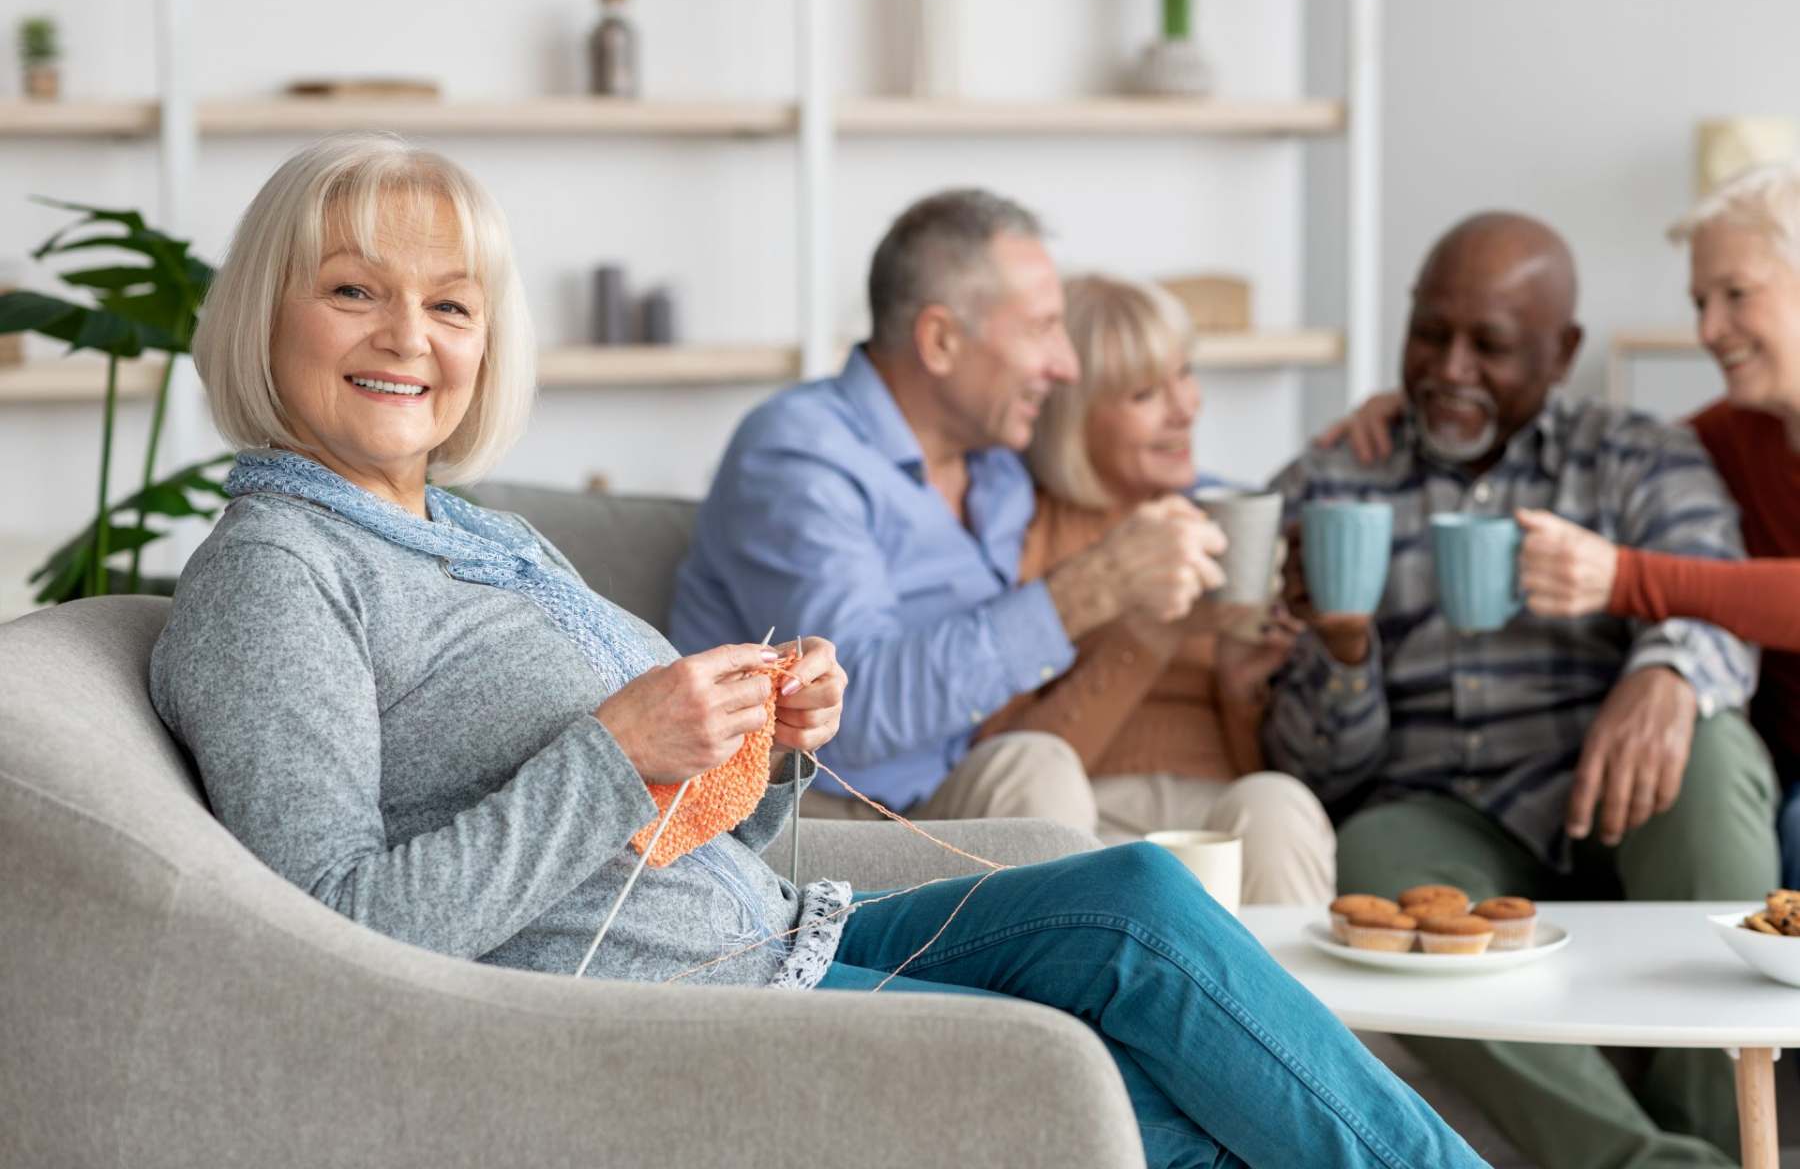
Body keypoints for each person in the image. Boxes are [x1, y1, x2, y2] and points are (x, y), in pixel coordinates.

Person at [148, 134, 1489, 1169]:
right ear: (268, 313)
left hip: (761, 930)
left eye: (449, 304)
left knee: (1131, 901)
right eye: (351, 292)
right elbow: (326, 942)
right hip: (662, 1015)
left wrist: (762, 755)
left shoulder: (470, 531)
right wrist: (617, 755)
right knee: (1135, 1101)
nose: (408, 338)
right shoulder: (279, 574)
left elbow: (663, 830)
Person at [1265, 210, 1779, 1169]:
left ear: (1562, 352)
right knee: (1374, 849)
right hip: (1438, 807)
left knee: (1709, 752)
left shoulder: (1634, 453)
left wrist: (1667, 671)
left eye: (1490, 346)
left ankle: (1720, 1127)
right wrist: (1340, 655)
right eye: (1430, 333)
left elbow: (1712, 590)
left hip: (1618, 790)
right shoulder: (1336, 478)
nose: (1451, 368)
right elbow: (1314, 764)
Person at [671, 190, 1229, 832]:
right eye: (1043, 329)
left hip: (965, 794)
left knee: (1263, 812)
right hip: (826, 814)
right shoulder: (797, 457)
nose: (1065, 366)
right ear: (939, 340)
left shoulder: (997, 458)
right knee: (1036, 769)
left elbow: (1129, 465)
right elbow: (853, 716)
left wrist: (1319, 480)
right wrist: (1094, 586)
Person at [1321, 166, 1800, 892]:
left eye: (1736, 295)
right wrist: (1438, 403)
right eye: (1701, 301)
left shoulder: (1667, 446)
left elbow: (1705, 584)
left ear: (1561, 352)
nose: (1707, 329)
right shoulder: (1720, 436)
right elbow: (1688, 524)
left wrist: (1654, 641)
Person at [977, 273, 1334, 904]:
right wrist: (1148, 633)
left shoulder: (1224, 519)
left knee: (1279, 802)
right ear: (1073, 416)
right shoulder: (1022, 529)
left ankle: (1279, 1006)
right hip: (1082, 804)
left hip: (1211, 805)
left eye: (1186, 374)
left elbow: (1250, 765)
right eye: (1146, 393)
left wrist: (1237, 687)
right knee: (1037, 773)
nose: (1187, 407)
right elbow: (1004, 756)